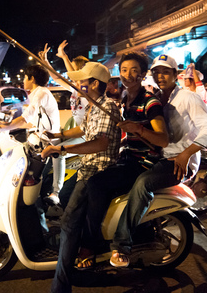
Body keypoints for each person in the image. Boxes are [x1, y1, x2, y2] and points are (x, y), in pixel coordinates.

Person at [110, 53, 207, 267]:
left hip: (179, 162)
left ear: (175, 74)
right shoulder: (157, 98)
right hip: (158, 157)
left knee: (143, 183)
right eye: (157, 72)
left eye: (165, 72)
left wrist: (186, 154)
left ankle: (121, 245)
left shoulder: (188, 97)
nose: (160, 76)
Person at [74, 52, 169, 271]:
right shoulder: (125, 97)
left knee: (95, 184)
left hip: (143, 163)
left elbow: (163, 140)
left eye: (134, 70)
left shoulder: (150, 102)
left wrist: (138, 128)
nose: (128, 74)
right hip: (126, 158)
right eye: (124, 70)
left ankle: (91, 245)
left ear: (143, 74)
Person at [40, 62, 121, 293]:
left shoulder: (109, 107)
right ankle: (82, 242)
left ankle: (61, 286)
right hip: (86, 169)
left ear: (94, 84)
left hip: (97, 171)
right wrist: (56, 136)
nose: (79, 84)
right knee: (63, 196)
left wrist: (61, 150)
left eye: (83, 81)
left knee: (67, 223)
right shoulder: (93, 107)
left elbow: (101, 142)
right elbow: (83, 129)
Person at [2, 64, 62, 204]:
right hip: (39, 141)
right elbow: (32, 120)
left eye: (25, 77)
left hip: (47, 143)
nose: (23, 80)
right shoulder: (36, 93)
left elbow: (26, 117)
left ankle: (39, 209)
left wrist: (4, 127)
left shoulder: (41, 93)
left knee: (31, 181)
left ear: (32, 78)